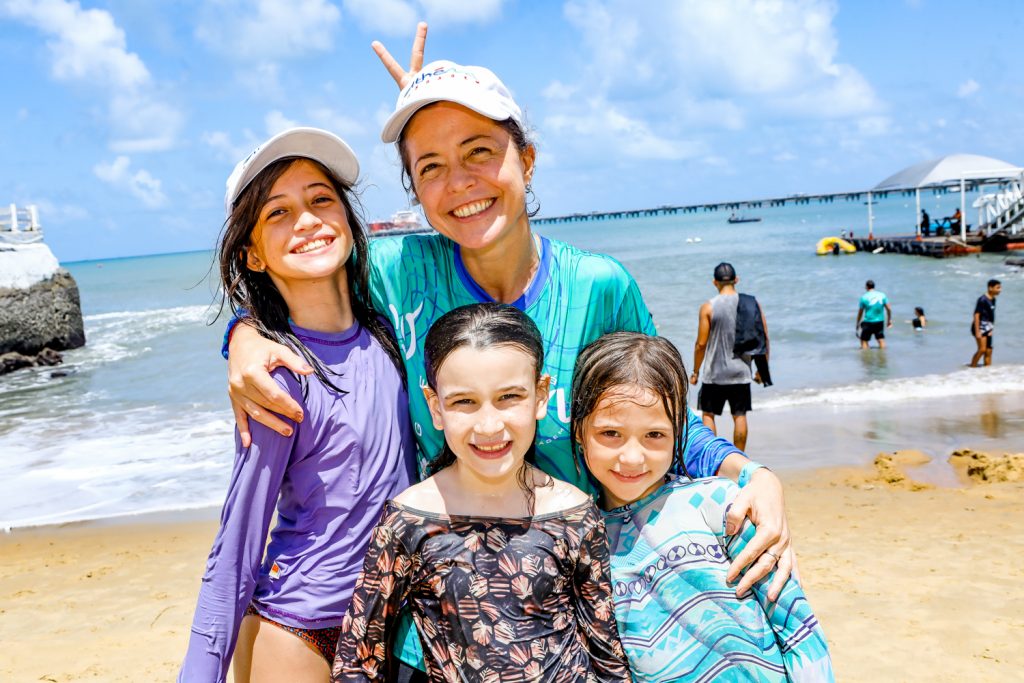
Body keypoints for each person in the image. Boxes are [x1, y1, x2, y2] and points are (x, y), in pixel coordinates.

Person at [225, 25, 796, 598]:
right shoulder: (395, 273)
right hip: (445, 605)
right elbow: (295, 278)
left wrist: (752, 474)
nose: (460, 183)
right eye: (430, 166)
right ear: (416, 192)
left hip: (580, 591)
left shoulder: (596, 285)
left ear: (526, 160)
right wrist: (246, 333)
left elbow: (665, 418)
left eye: (479, 151)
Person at [178, 129, 416, 683]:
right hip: (301, 630)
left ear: (350, 226)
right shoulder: (277, 374)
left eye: (320, 199)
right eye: (277, 212)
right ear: (253, 255)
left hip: (400, 621)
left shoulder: (389, 333)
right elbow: (236, 544)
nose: (306, 220)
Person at [332, 303, 630, 682]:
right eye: (464, 402)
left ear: (540, 395)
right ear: (434, 406)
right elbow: (358, 659)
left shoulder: (574, 513)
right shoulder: (411, 518)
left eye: (509, 397)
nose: (489, 425)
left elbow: (606, 656)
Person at [572, 332, 834, 682]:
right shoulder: (583, 544)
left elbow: (798, 629)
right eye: (610, 434)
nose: (632, 457)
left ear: (678, 432)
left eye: (654, 435)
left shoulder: (719, 505)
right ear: (578, 430)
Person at [690, 262, 767, 451]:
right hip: (741, 371)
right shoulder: (751, 304)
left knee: (708, 414)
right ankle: (739, 458)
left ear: (714, 282)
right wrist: (761, 371)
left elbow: (701, 344)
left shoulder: (708, 307)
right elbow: (763, 337)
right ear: (736, 280)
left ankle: (711, 457)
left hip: (714, 374)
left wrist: (695, 371)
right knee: (739, 415)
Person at [969, 279, 1001, 367]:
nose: (1000, 290)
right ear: (990, 288)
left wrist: (991, 329)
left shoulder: (993, 299)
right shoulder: (982, 299)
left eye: (1000, 288)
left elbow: (991, 315)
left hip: (988, 327)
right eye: (997, 288)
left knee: (989, 350)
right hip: (979, 326)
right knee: (982, 350)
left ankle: (987, 372)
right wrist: (977, 331)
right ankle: (972, 368)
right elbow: (976, 315)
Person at [856, 279, 892, 349]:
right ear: (874, 286)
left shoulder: (864, 297)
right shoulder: (882, 295)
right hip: (880, 321)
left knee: (864, 340)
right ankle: (883, 357)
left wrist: (857, 323)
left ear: (866, 287)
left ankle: (866, 357)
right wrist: (889, 320)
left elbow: (860, 312)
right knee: (880, 339)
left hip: (868, 321)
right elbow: (889, 309)